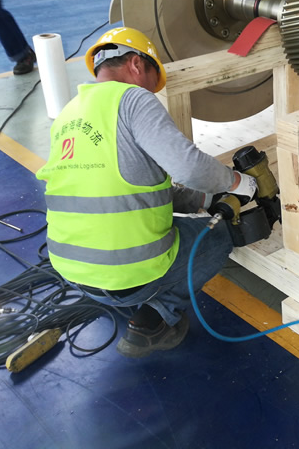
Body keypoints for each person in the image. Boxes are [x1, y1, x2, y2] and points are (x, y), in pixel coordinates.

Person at [36, 27, 257, 358]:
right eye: (154, 83)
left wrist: (205, 199)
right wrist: (238, 183)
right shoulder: (132, 99)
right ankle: (158, 316)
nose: (152, 92)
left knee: (165, 229)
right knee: (220, 235)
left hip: (74, 273)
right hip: (128, 275)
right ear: (137, 64)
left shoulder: (68, 114)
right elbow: (190, 168)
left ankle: (133, 296)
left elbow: (129, 188)